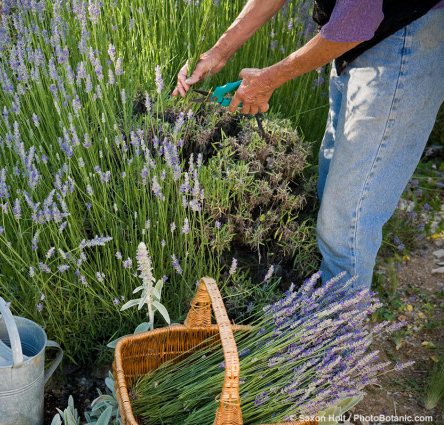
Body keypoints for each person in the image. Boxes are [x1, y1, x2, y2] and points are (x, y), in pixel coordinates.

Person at [173, 0, 444, 292]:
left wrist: (267, 80)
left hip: (403, 41)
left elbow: (352, 25)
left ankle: (340, 333)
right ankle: (328, 315)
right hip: (357, 45)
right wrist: (219, 52)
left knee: (346, 224)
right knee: (330, 192)